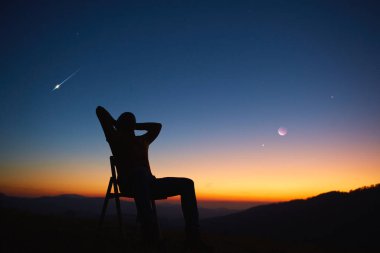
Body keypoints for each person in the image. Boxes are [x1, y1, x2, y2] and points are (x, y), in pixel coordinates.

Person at [96, 106, 211, 250]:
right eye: (127, 123)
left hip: (150, 184)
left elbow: (157, 126)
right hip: (130, 184)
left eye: (131, 123)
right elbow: (99, 110)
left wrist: (133, 125)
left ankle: (193, 238)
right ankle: (150, 235)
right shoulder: (115, 139)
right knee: (140, 173)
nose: (129, 127)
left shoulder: (143, 140)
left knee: (187, 184)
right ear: (120, 125)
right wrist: (115, 123)